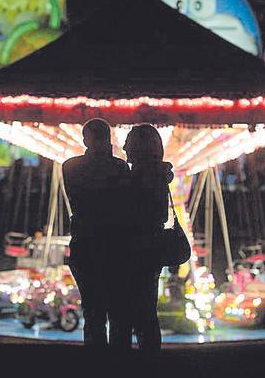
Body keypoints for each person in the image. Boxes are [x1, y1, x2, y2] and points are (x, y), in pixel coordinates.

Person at [62, 118, 131, 347]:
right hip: (116, 246)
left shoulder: (71, 167)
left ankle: (96, 362)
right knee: (118, 311)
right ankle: (120, 362)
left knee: (93, 310)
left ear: (85, 140)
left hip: (85, 244)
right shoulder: (121, 168)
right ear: (109, 139)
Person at [112, 124, 173, 354]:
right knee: (147, 310)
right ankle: (149, 358)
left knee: (127, 311)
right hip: (150, 250)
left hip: (134, 250)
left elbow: (130, 212)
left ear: (139, 147)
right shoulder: (158, 175)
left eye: (129, 142)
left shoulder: (139, 177)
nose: (125, 146)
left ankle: (128, 360)